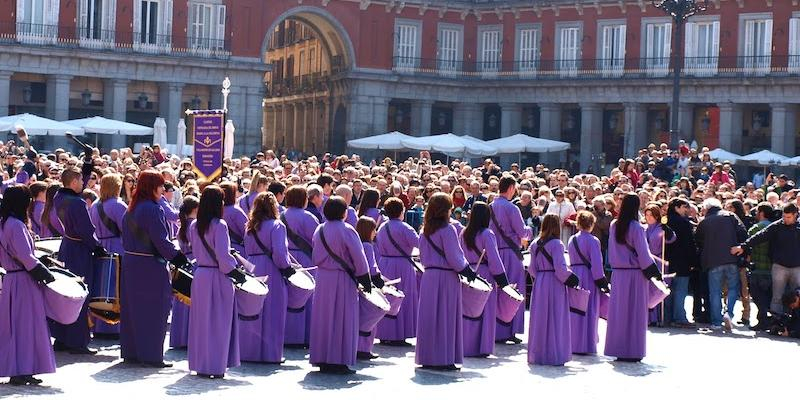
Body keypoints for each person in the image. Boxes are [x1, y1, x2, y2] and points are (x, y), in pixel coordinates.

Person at [119, 170, 188, 367]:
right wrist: (177, 257)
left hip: (132, 263)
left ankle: (131, 351)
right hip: (150, 264)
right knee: (154, 310)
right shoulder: (153, 208)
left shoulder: (130, 208)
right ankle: (150, 355)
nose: (162, 189)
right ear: (152, 187)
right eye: (160, 185)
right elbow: (160, 240)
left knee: (133, 309)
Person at [188, 185, 246, 379]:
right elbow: (223, 255)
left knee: (201, 323)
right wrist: (236, 272)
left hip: (201, 276)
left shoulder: (194, 225)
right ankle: (215, 365)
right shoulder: (220, 225)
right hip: (218, 277)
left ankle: (200, 363)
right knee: (219, 323)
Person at [0, 185, 56, 386]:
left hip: (12, 280)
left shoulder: (4, 223)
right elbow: (26, 257)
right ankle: (23, 369)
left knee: (14, 328)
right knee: (26, 327)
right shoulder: (16, 225)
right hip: (24, 281)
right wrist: (47, 275)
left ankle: (18, 369)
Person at [310, 196, 371, 375]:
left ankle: (321, 357)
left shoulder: (319, 229)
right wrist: (364, 277)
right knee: (342, 318)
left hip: (323, 278)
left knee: (324, 319)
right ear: (344, 212)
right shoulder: (347, 229)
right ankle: (339, 359)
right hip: (342, 277)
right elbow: (358, 256)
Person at [416, 193, 477, 371]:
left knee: (430, 318)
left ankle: (427, 357)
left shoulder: (424, 230)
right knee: (446, 318)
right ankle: (444, 358)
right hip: (446, 277)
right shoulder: (448, 229)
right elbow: (455, 257)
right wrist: (468, 271)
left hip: (429, 277)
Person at [51, 161, 107, 355]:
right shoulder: (78, 202)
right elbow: (86, 230)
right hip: (80, 251)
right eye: (81, 180)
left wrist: (86, 167)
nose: (83, 183)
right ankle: (77, 341)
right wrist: (98, 248)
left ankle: (62, 338)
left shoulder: (59, 196)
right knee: (80, 295)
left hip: (67, 246)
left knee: (65, 295)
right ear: (74, 182)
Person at [605, 194, 661, 362]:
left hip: (618, 274)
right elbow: (643, 254)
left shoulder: (614, 225)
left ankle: (618, 348)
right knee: (635, 313)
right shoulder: (637, 227)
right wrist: (655, 272)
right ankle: (633, 349)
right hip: (635, 274)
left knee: (618, 314)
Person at [240, 191, 294, 364]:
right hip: (271, 270)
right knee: (273, 312)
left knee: (253, 311)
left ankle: (249, 352)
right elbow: (279, 252)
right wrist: (286, 268)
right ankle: (271, 354)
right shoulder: (277, 225)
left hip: (253, 267)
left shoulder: (250, 226)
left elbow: (247, 250)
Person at [733, 203, 800, 320]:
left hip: (797, 267)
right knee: (777, 296)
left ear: (795, 215)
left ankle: (795, 323)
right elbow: (760, 235)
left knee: (797, 297)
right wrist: (743, 246)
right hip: (779, 266)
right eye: (784, 216)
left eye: (788, 217)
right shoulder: (777, 225)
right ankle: (776, 322)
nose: (785, 219)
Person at [528, 214, 579, 366]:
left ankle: (538, 355)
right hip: (555, 283)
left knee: (540, 319)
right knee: (556, 319)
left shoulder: (535, 244)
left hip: (540, 282)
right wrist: (572, 279)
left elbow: (531, 269)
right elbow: (560, 269)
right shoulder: (557, 244)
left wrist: (541, 277)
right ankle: (554, 354)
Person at [459, 201, 510, 357]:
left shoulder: (463, 233)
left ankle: (465, 345)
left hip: (468, 273)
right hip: (485, 273)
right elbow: (494, 259)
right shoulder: (488, 234)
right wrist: (503, 281)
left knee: (469, 311)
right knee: (485, 311)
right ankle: (482, 347)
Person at [490, 175, 532, 344]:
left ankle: (495, 329)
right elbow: (522, 232)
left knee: (498, 291)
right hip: (510, 253)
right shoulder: (512, 208)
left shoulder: (490, 206)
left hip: (495, 253)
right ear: (510, 188)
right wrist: (530, 230)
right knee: (513, 292)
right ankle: (510, 330)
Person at [375, 197, 420, 346]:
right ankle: (399, 334)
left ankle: (384, 333)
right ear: (402, 211)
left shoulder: (381, 227)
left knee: (387, 296)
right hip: (402, 265)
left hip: (385, 263)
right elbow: (419, 244)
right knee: (402, 298)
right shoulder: (405, 227)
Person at [697, 198, 745, 331]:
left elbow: (698, 240)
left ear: (707, 208)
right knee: (733, 288)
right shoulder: (731, 216)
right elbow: (743, 233)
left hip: (713, 261)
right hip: (732, 257)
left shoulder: (705, 222)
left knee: (715, 292)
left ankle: (717, 322)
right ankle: (728, 313)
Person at [89, 173, 127, 336]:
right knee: (117, 288)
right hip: (117, 247)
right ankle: (114, 327)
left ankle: (99, 325)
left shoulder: (95, 205)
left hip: (100, 247)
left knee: (102, 287)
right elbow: (127, 229)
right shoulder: (118, 205)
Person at [281, 185, 320, 347]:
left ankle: (287, 335)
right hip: (305, 259)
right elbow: (317, 240)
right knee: (308, 297)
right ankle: (305, 337)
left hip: (287, 258)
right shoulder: (309, 217)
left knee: (288, 297)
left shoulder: (281, 215)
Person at [567, 211, 609, 355]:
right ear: (591, 224)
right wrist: (602, 282)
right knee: (590, 310)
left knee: (574, 310)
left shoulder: (572, 239)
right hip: (589, 276)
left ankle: (573, 343)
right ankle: (587, 344)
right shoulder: (593, 241)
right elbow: (597, 264)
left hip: (574, 274)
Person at [169, 196, 199, 349]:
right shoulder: (194, 224)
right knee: (192, 301)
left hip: (182, 264)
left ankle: (179, 338)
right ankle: (189, 338)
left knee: (180, 302)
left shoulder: (182, 225)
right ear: (195, 209)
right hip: (193, 263)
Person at [665, 198, 698, 327]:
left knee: (669, 291)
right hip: (682, 261)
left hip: (668, 261)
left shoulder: (665, 221)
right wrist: (693, 260)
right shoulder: (683, 223)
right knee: (680, 290)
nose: (687, 210)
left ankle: (668, 317)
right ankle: (679, 318)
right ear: (676, 207)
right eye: (684, 207)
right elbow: (689, 244)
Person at [356, 216, 385, 360]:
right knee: (368, 319)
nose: (376, 232)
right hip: (367, 284)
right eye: (374, 229)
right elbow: (371, 266)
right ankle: (364, 348)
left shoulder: (357, 243)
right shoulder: (368, 246)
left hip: (357, 284)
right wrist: (380, 281)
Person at [643, 203, 675, 326]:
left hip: (658, 261)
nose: (649, 217)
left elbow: (672, 239)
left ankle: (658, 317)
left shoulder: (661, 228)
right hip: (645, 260)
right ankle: (648, 318)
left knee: (657, 289)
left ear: (656, 216)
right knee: (647, 290)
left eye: (651, 215)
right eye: (647, 215)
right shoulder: (643, 228)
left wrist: (668, 231)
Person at [745, 202, 774, 331]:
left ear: (761, 213)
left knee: (758, 296)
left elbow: (748, 246)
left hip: (758, 267)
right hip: (772, 267)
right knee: (768, 297)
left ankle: (762, 320)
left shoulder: (755, 229)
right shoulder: (775, 227)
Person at [220, 182, 248, 254]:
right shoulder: (236, 211)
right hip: (238, 250)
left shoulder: (215, 210)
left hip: (221, 249)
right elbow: (247, 232)